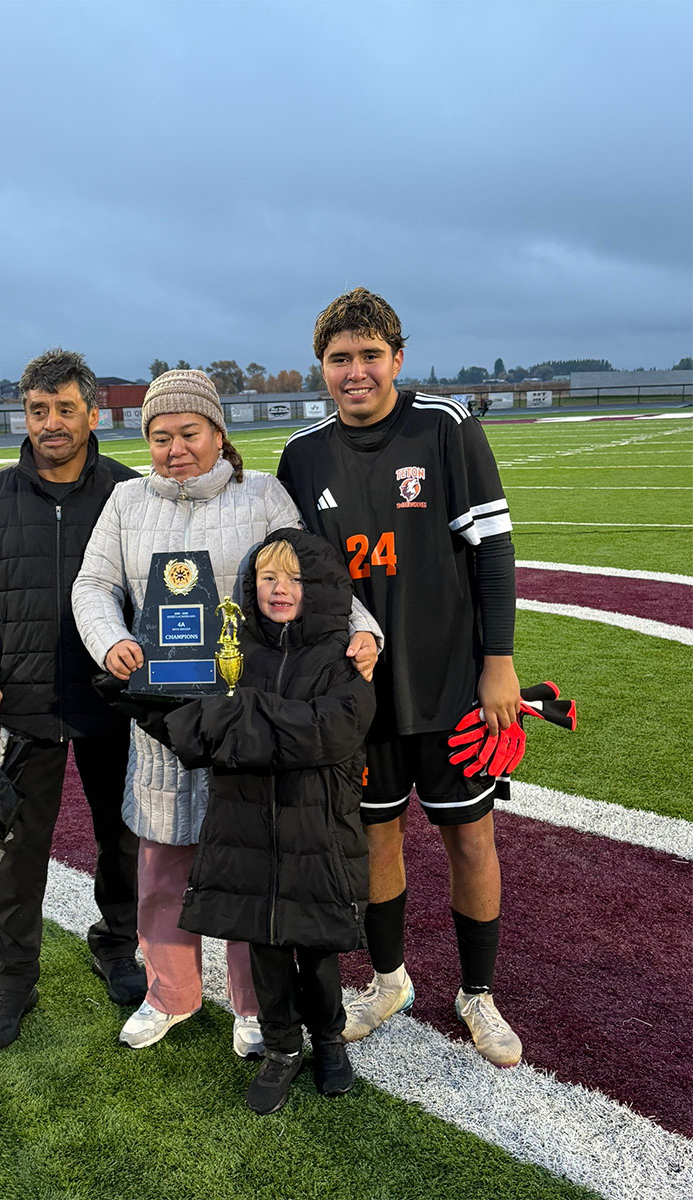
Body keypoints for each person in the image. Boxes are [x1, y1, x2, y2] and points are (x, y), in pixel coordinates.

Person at [71, 369, 380, 1056]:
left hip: (245, 715)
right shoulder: (125, 502)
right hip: (161, 716)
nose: (174, 448)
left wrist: (363, 629)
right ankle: (170, 993)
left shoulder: (263, 494)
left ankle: (252, 1005)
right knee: (162, 863)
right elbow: (94, 583)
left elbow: (311, 575)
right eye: (160, 436)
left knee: (247, 862)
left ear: (218, 433)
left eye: (188, 433)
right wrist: (114, 639)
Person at [277, 287, 523, 1067]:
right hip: (359, 701)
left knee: (470, 840)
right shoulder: (302, 455)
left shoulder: (444, 426)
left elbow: (492, 550)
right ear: (321, 367)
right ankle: (389, 981)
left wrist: (500, 663)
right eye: (340, 359)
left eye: (370, 356)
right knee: (375, 841)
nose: (356, 372)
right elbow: (301, 581)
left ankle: (478, 994)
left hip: (451, 687)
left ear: (397, 358)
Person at [0, 348, 145, 1050]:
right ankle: (13, 979)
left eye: (64, 408)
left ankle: (118, 942)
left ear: (93, 412)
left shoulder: (131, 495)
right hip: (19, 706)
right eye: (38, 410)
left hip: (111, 702)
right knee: (16, 852)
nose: (50, 423)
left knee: (123, 838)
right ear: (23, 414)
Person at [165, 530, 376, 1114]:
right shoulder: (232, 648)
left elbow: (330, 732)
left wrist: (249, 713)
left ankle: (330, 1040)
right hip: (246, 828)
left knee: (319, 949)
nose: (280, 589)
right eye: (267, 577)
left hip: (318, 832)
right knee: (265, 947)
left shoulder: (345, 655)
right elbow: (200, 728)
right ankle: (282, 1047)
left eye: (296, 579)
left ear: (324, 589)